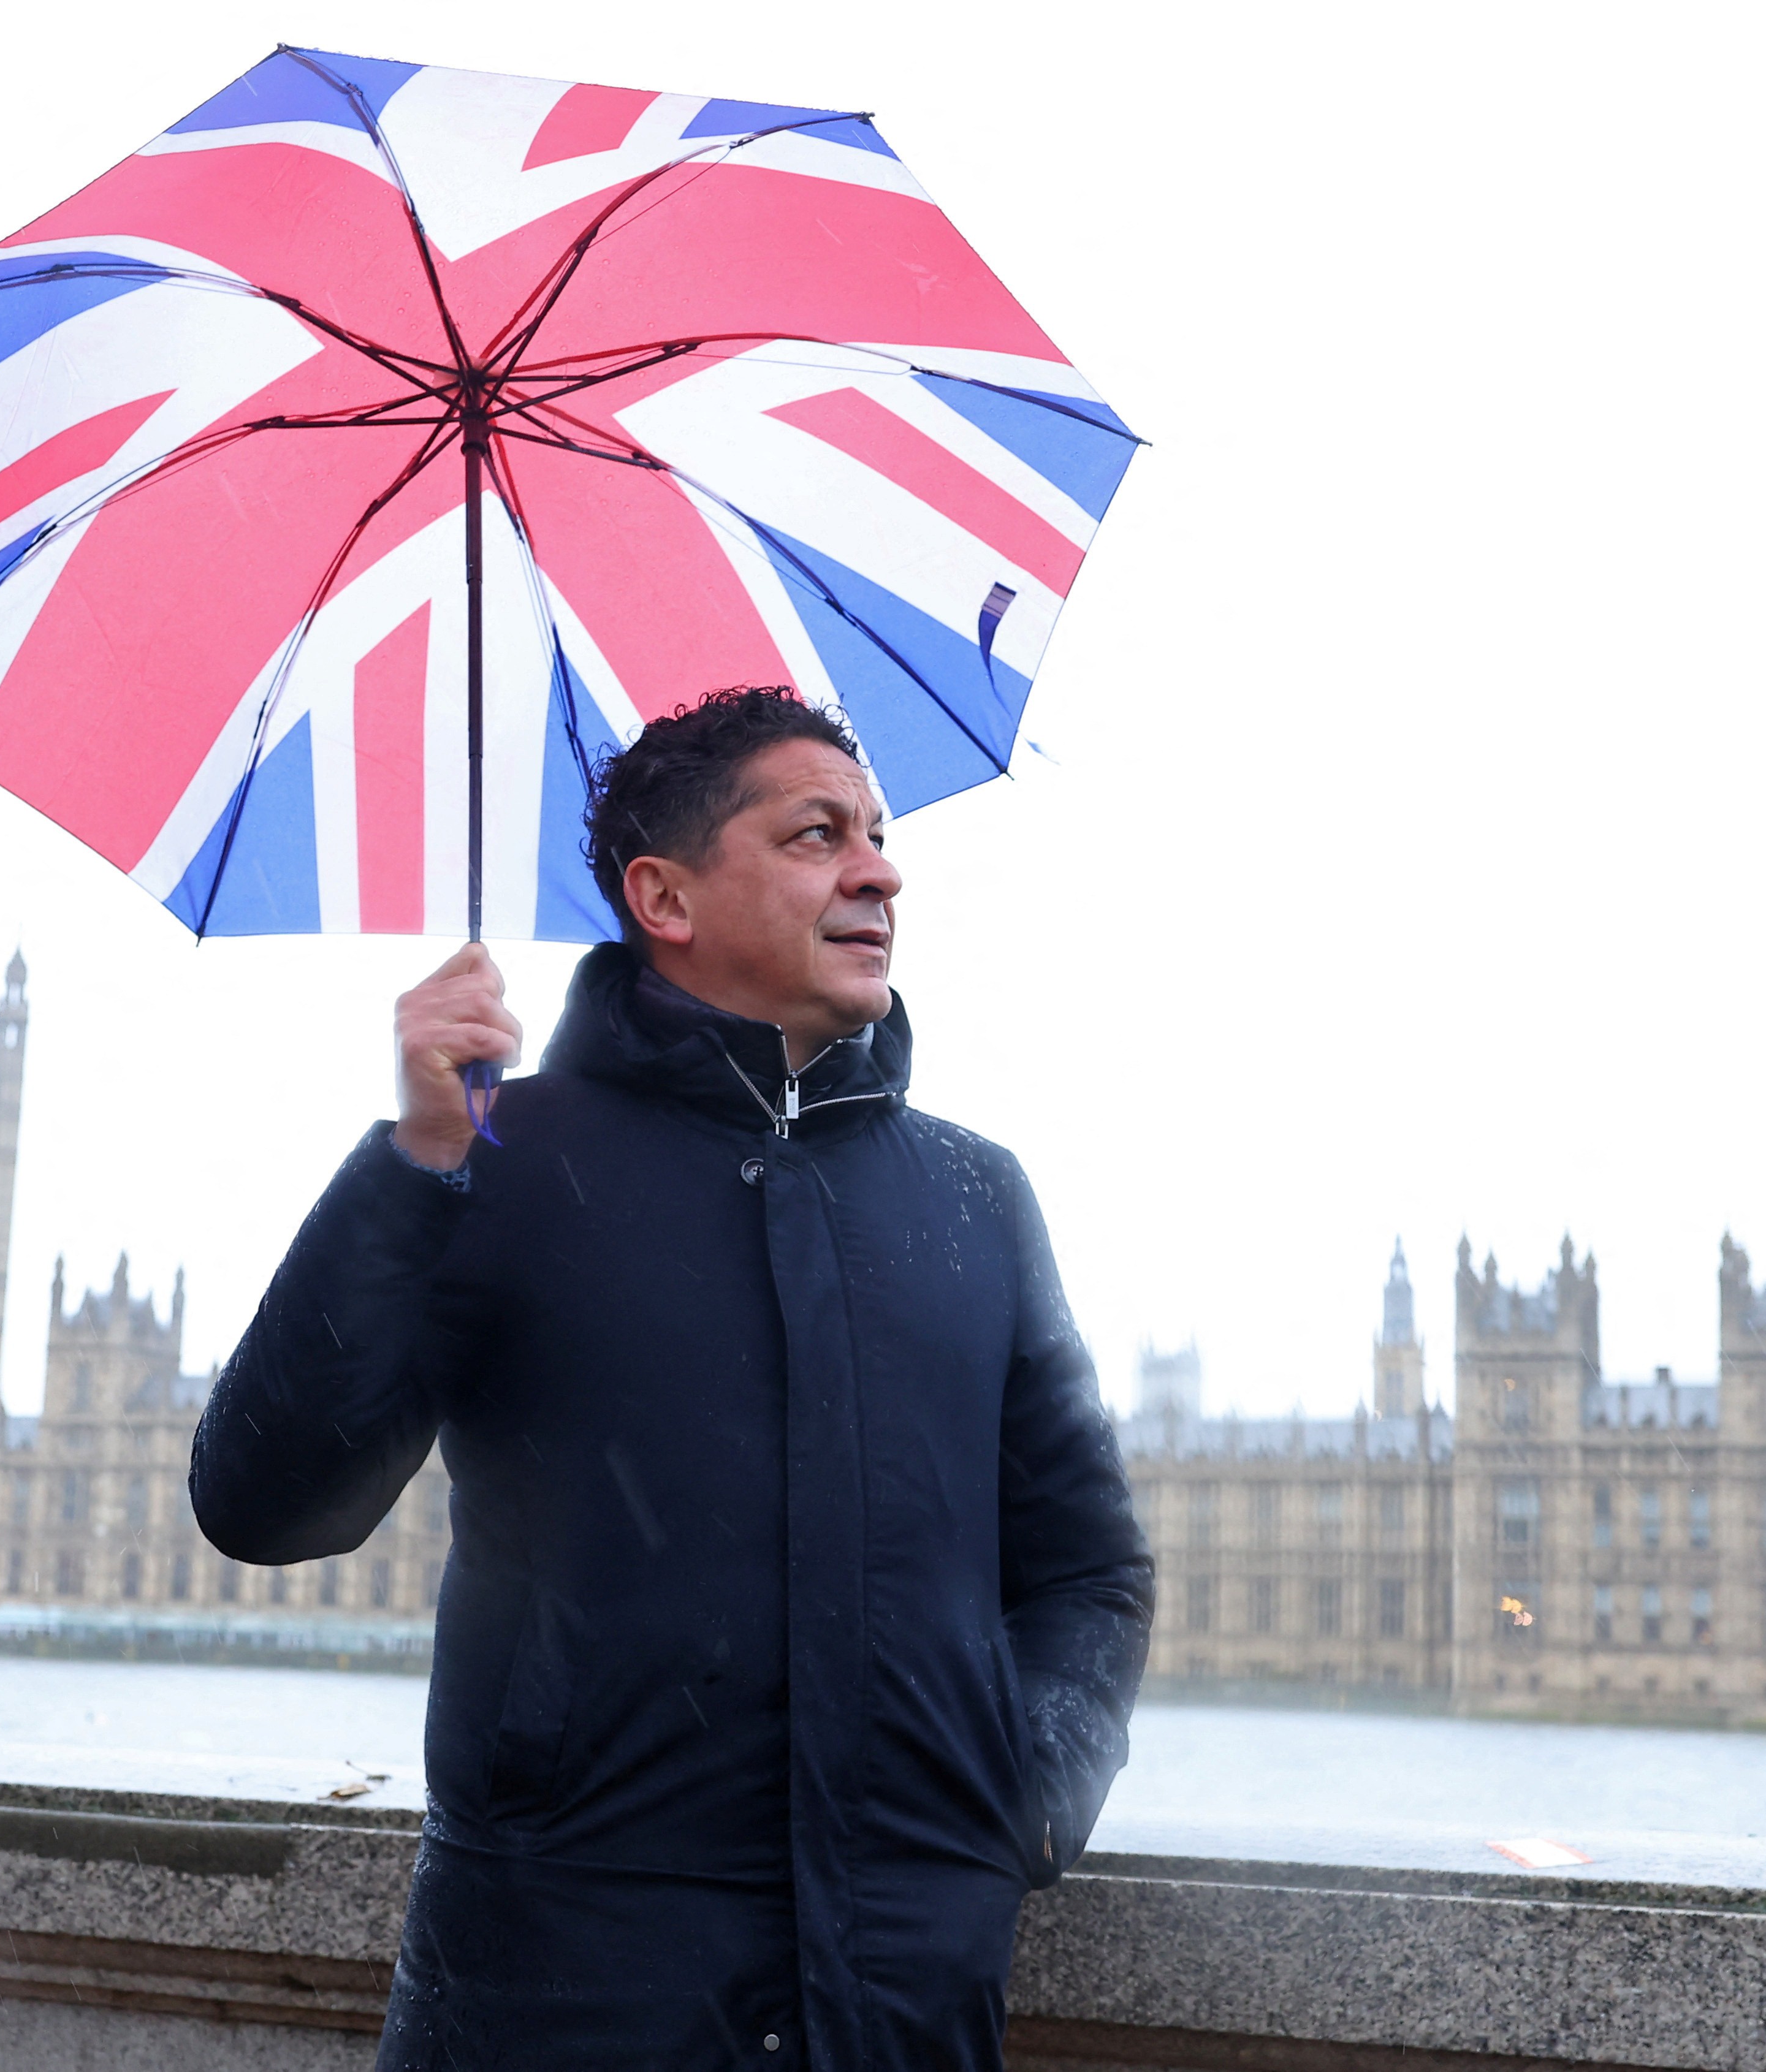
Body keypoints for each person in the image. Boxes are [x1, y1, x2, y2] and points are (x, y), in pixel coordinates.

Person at [191, 686, 1154, 2071]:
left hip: (899, 2008)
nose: (880, 868)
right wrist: (411, 1161)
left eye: (877, 836)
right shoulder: (493, 1160)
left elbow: (1088, 1571)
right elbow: (264, 1500)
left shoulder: (975, 1198)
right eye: (817, 834)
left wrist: (1031, 1797)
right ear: (667, 896)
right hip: (566, 2002)